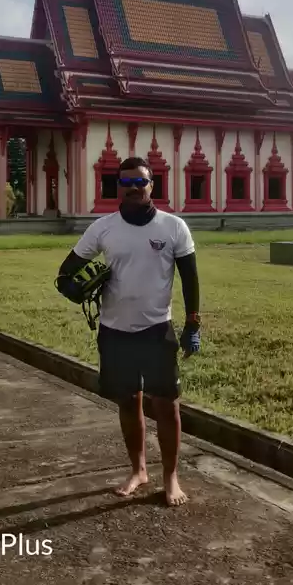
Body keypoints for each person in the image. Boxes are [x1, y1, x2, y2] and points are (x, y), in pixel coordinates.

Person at [55, 157, 201, 506]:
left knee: (167, 407)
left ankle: (171, 476)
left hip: (156, 329)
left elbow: (190, 279)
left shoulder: (173, 227)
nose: (134, 189)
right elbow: (65, 272)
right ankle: (138, 470)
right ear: (117, 187)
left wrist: (193, 323)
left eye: (141, 182)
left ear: (152, 186)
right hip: (114, 330)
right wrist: (72, 288)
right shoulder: (103, 228)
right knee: (128, 401)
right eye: (126, 184)